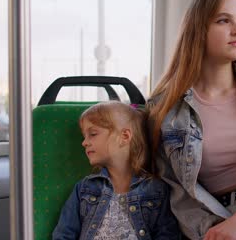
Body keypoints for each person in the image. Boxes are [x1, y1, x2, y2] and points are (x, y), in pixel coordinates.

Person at [148, 0, 236, 240]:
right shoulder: (166, 108)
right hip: (212, 218)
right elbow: (176, 192)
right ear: (198, 30)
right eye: (224, 20)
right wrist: (223, 229)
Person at [53, 101, 179, 240]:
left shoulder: (156, 190)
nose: (84, 142)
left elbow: (168, 235)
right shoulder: (84, 189)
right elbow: (63, 235)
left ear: (124, 136)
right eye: (84, 136)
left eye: (93, 134)